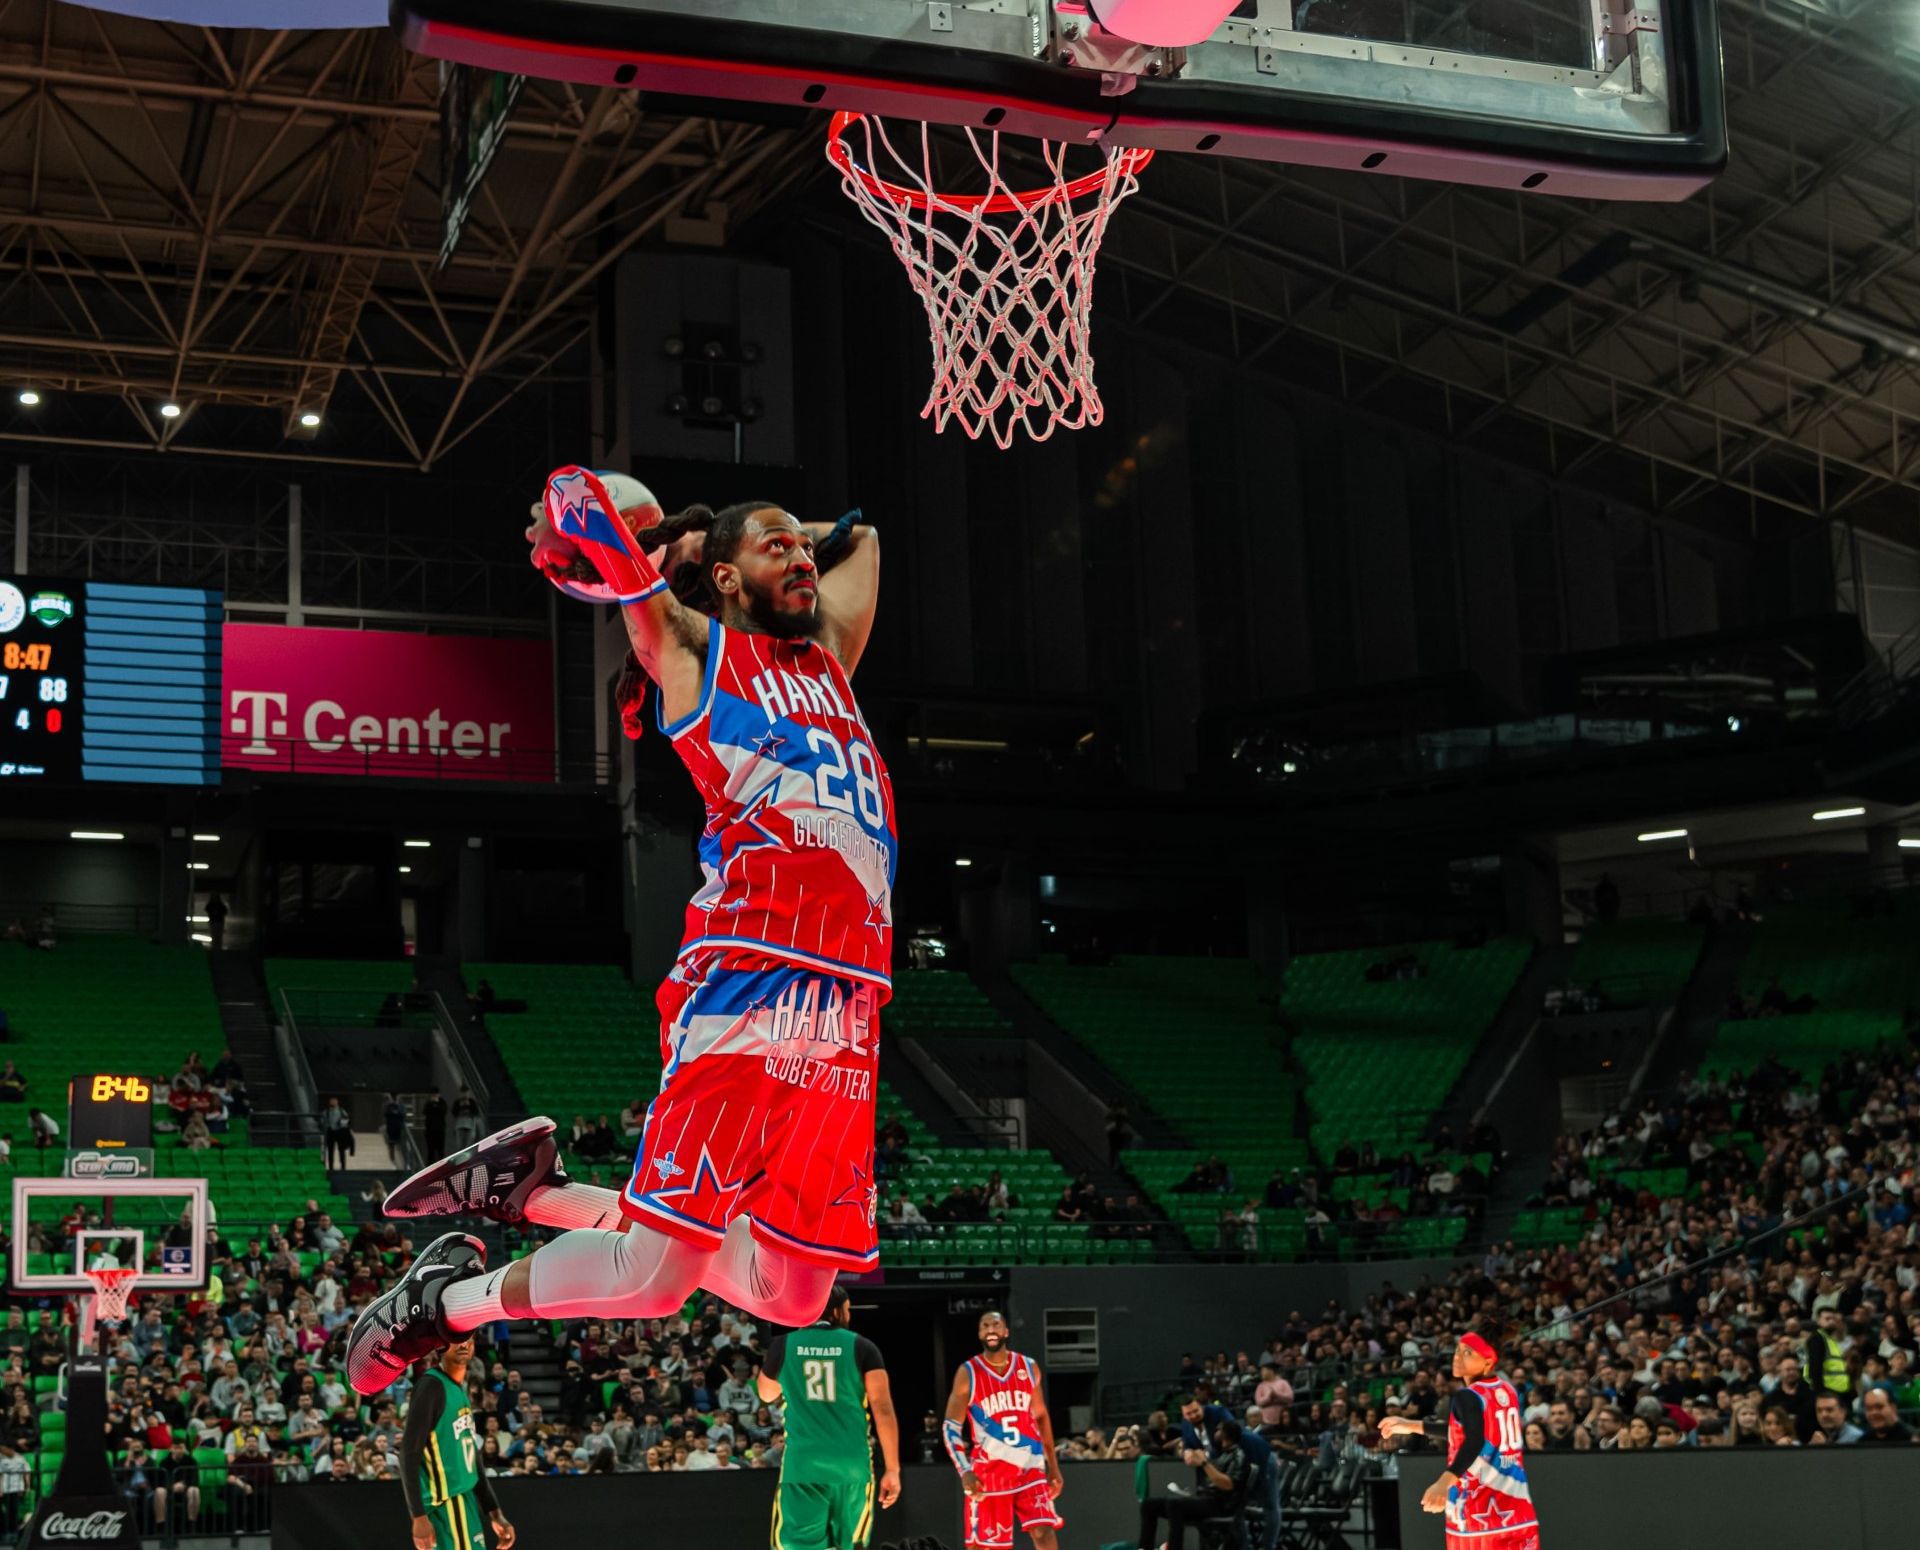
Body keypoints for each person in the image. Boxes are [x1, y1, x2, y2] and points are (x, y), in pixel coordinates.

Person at [356, 472, 887, 1393]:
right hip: (752, 977)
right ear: (723, 581)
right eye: (777, 550)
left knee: (797, 1294)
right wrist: (663, 543)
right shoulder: (691, 654)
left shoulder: (830, 660)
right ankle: (442, 1304)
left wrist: (730, 534)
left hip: (849, 1000)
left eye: (802, 550)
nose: (804, 557)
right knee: (653, 1280)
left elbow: (864, 538)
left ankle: (538, 1195)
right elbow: (570, 497)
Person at [755, 1283, 900, 1550]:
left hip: (803, 1467)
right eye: (847, 1310)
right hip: (852, 1467)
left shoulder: (784, 1345)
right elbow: (883, 1409)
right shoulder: (863, 1347)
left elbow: (765, 1393)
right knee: (850, 1545)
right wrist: (892, 1469)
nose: (849, 1315)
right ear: (836, 1311)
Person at [1379, 1318, 1538, 1550]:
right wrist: (1410, 1424)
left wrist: (1445, 1482)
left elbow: (1475, 1439)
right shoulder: (1507, 1390)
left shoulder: (1468, 1396)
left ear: (1487, 1362)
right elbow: (1463, 1431)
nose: (1457, 1356)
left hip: (1478, 1517)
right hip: (1518, 1514)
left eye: (1467, 1353)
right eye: (1457, 1350)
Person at [942, 1311, 1062, 1550]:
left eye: (996, 1324)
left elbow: (1040, 1417)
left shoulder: (1029, 1367)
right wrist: (964, 1469)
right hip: (989, 1475)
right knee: (985, 1546)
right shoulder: (968, 1372)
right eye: (984, 1325)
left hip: (1030, 1467)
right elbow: (950, 1427)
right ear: (979, 1334)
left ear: (1006, 1331)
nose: (990, 1329)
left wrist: (1053, 1465)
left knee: (1044, 1531)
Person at [401, 1333, 516, 1550]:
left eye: (468, 1339)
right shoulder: (431, 1386)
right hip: (445, 1504)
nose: (463, 1343)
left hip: (466, 1500)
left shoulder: (459, 1389)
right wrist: (417, 1516)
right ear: (440, 1346)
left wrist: (495, 1512)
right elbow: (408, 1452)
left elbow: (473, 1459)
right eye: (456, 1338)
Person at [1137, 1417, 1251, 1550]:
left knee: (1175, 1504)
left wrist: (1204, 1463)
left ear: (1226, 1433)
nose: (1215, 1432)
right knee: (1149, 1505)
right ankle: (1144, 1547)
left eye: (1218, 1430)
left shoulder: (1238, 1456)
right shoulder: (1223, 1454)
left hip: (1220, 1505)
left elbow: (1228, 1485)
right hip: (1206, 1499)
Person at [321, 1098, 352, 1170]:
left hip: (340, 1132)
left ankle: (343, 1166)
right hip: (330, 1132)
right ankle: (331, 1167)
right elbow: (322, 1121)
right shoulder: (326, 1112)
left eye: (335, 1101)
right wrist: (326, 1126)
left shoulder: (341, 1111)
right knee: (330, 1150)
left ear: (337, 1102)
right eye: (332, 1101)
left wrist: (343, 1124)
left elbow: (346, 1119)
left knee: (341, 1150)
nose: (333, 1102)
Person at [385, 1094, 411, 1169]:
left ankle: (404, 1164)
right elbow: (386, 1114)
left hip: (399, 1129)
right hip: (390, 1128)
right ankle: (392, 1163)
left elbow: (403, 1114)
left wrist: (397, 1108)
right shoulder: (389, 1106)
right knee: (391, 1146)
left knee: (400, 1146)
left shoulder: (401, 1106)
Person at [423, 1094, 448, 1160]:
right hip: (430, 1130)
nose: (434, 1097)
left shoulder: (442, 1102)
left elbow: (444, 1111)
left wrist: (437, 1103)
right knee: (431, 1151)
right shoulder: (429, 1103)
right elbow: (424, 1111)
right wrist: (431, 1103)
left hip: (440, 1130)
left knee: (440, 1151)